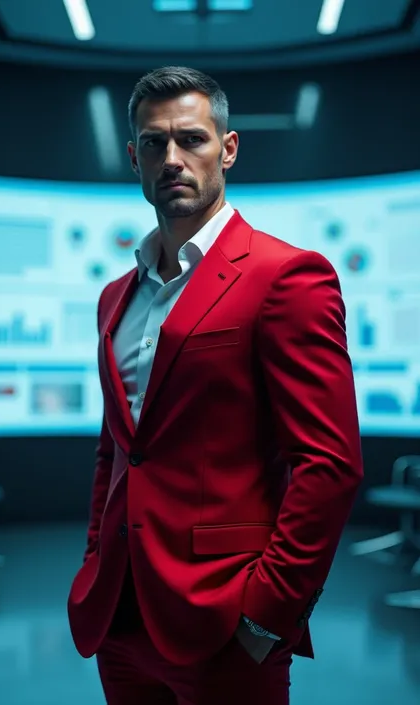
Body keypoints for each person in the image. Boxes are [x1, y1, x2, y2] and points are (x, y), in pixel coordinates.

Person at [67, 66, 363, 705]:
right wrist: (95, 560)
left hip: (224, 623)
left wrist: (266, 618)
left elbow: (329, 466)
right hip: (119, 618)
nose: (172, 159)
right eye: (154, 143)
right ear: (134, 157)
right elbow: (117, 450)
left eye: (192, 139)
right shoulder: (114, 298)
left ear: (227, 148)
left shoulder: (287, 277)